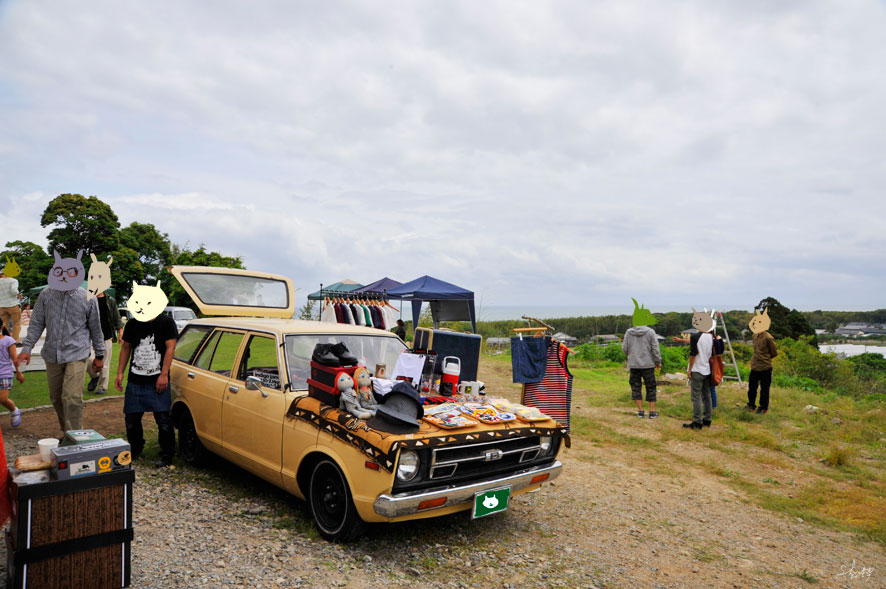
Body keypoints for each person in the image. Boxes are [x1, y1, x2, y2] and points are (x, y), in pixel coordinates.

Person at [17, 261, 105, 434]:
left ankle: (74, 437)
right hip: (52, 354)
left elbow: (96, 328)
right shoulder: (45, 295)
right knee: (57, 398)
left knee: (71, 397)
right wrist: (27, 348)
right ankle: (67, 432)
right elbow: (36, 323)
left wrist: (100, 355)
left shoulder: (88, 297)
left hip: (77, 352)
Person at [115, 305, 178, 467]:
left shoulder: (166, 322)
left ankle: (166, 454)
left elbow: (170, 348)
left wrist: (164, 374)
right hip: (135, 379)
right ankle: (135, 449)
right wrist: (120, 373)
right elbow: (126, 348)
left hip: (157, 378)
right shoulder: (132, 323)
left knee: (163, 420)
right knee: (131, 419)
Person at [86, 291, 124, 395]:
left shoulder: (110, 300)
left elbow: (117, 318)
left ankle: (102, 387)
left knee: (105, 363)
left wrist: (120, 333)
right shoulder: (87, 299)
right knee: (87, 359)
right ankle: (95, 376)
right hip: (89, 336)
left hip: (106, 336)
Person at [622, 322, 662, 419]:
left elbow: (624, 348)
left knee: (636, 387)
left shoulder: (628, 332)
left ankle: (640, 411)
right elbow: (655, 349)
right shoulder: (651, 332)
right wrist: (658, 361)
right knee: (651, 387)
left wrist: (631, 356)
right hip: (648, 364)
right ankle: (652, 412)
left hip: (633, 364)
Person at [684, 311, 714, 430]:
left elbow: (693, 355)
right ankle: (707, 419)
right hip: (707, 369)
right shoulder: (710, 336)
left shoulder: (695, 336)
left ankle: (697, 421)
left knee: (696, 397)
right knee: (707, 395)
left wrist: (689, 370)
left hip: (697, 369)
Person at [748, 308, 778, 414]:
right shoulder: (754, 335)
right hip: (755, 366)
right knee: (752, 387)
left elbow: (774, 352)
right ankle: (751, 405)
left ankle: (763, 408)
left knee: (764, 389)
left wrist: (765, 359)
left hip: (765, 367)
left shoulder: (769, 338)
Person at [0, 321, 24, 427]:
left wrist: (19, 373)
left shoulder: (8, 340)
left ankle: (14, 410)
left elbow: (15, 358)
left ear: (1, 326)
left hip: (5, 373)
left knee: (2, 399)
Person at [0, 270, 22, 343]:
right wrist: (18, 293)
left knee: (4, 324)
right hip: (12, 305)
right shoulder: (13, 280)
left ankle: (5, 341)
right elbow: (14, 291)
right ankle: (15, 341)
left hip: (2, 306)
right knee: (17, 323)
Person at [710, 333, 725, 410]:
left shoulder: (712, 340)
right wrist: (720, 341)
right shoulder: (716, 340)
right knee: (712, 388)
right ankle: (714, 406)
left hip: (710, 365)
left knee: (709, 388)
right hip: (714, 365)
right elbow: (721, 351)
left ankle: (712, 405)